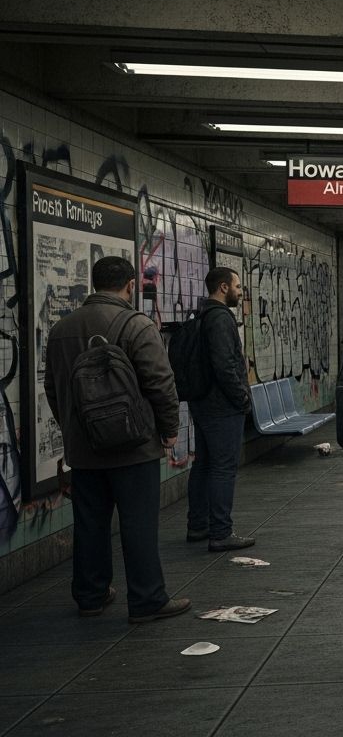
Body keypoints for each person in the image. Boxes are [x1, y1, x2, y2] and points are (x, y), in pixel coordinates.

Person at [44, 256, 190, 623]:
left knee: (90, 523)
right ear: (129, 285)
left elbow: (53, 387)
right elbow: (160, 382)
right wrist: (169, 428)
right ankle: (147, 599)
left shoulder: (62, 328)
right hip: (134, 446)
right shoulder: (136, 325)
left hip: (85, 450)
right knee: (138, 523)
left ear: (95, 284)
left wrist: (74, 429)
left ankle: (90, 596)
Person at [185, 267, 256, 551]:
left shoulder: (202, 316)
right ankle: (221, 532)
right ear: (224, 288)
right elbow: (225, 365)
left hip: (202, 403)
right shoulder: (220, 319)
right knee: (223, 469)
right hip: (221, 406)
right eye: (238, 286)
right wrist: (242, 398)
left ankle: (198, 525)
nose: (241, 292)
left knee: (202, 464)